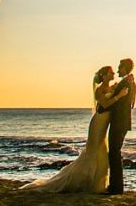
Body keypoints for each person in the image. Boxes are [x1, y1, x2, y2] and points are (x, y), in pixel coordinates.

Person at [20, 65, 129, 193]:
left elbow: (114, 94)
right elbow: (104, 105)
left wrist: (119, 89)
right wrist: (119, 96)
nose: (113, 74)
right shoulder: (99, 90)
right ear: (104, 76)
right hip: (98, 123)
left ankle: (97, 183)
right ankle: (85, 181)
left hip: (104, 123)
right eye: (111, 72)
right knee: (93, 150)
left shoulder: (109, 88)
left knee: (101, 151)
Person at [105, 57, 136, 194]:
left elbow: (119, 104)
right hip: (121, 122)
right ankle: (116, 186)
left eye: (119, 67)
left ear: (124, 68)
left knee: (114, 152)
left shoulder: (126, 83)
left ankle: (116, 187)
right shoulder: (128, 81)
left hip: (119, 122)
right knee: (114, 152)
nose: (117, 69)